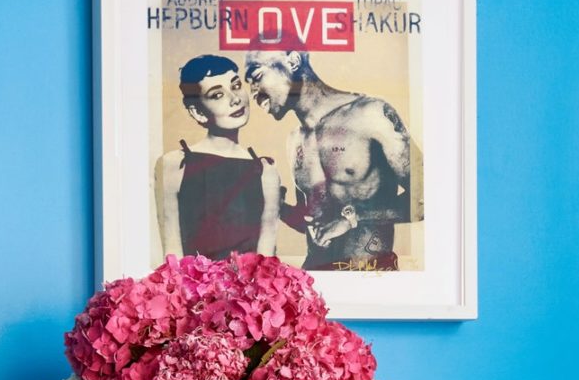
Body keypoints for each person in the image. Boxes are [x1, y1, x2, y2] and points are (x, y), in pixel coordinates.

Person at [243, 49, 415, 270]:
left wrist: (352, 218)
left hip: (368, 275)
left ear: (293, 61)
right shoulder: (295, 140)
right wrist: (277, 205)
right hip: (316, 276)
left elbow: (425, 200)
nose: (252, 92)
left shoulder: (371, 113)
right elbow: (315, 222)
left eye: (257, 76)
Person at [156, 53, 281, 260]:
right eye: (217, 95)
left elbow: (265, 258)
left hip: (247, 280)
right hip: (193, 280)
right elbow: (172, 252)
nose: (235, 99)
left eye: (236, 86)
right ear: (197, 112)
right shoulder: (175, 164)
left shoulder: (265, 171)